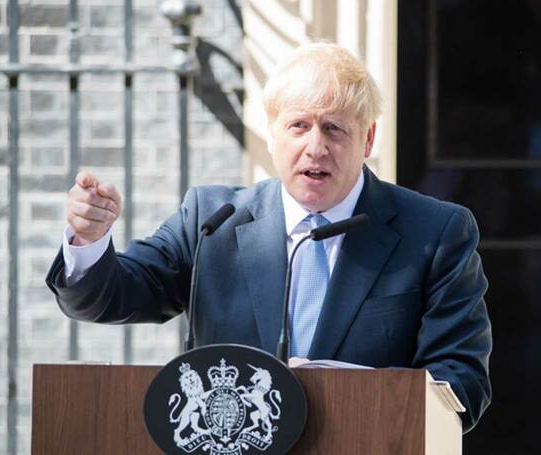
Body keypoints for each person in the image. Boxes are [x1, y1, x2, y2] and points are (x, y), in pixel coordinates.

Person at [46, 42, 492, 432]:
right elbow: (111, 297)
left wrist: (369, 399)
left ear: (368, 138)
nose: (315, 147)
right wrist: (88, 242)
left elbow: (462, 381)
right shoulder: (212, 220)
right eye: (299, 126)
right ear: (273, 133)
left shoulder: (435, 232)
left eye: (334, 128)